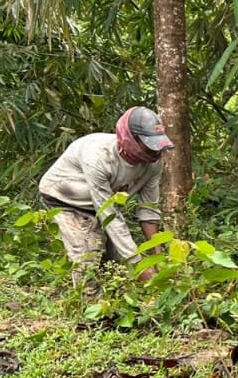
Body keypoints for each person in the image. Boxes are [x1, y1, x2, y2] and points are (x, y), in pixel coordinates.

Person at [39, 107, 173, 285]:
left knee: (114, 262)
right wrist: (137, 263)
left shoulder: (154, 163)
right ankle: (87, 300)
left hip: (101, 204)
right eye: (149, 145)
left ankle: (114, 298)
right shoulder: (98, 156)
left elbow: (149, 211)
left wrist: (158, 260)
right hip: (64, 199)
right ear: (131, 139)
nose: (155, 152)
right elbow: (109, 213)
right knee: (88, 260)